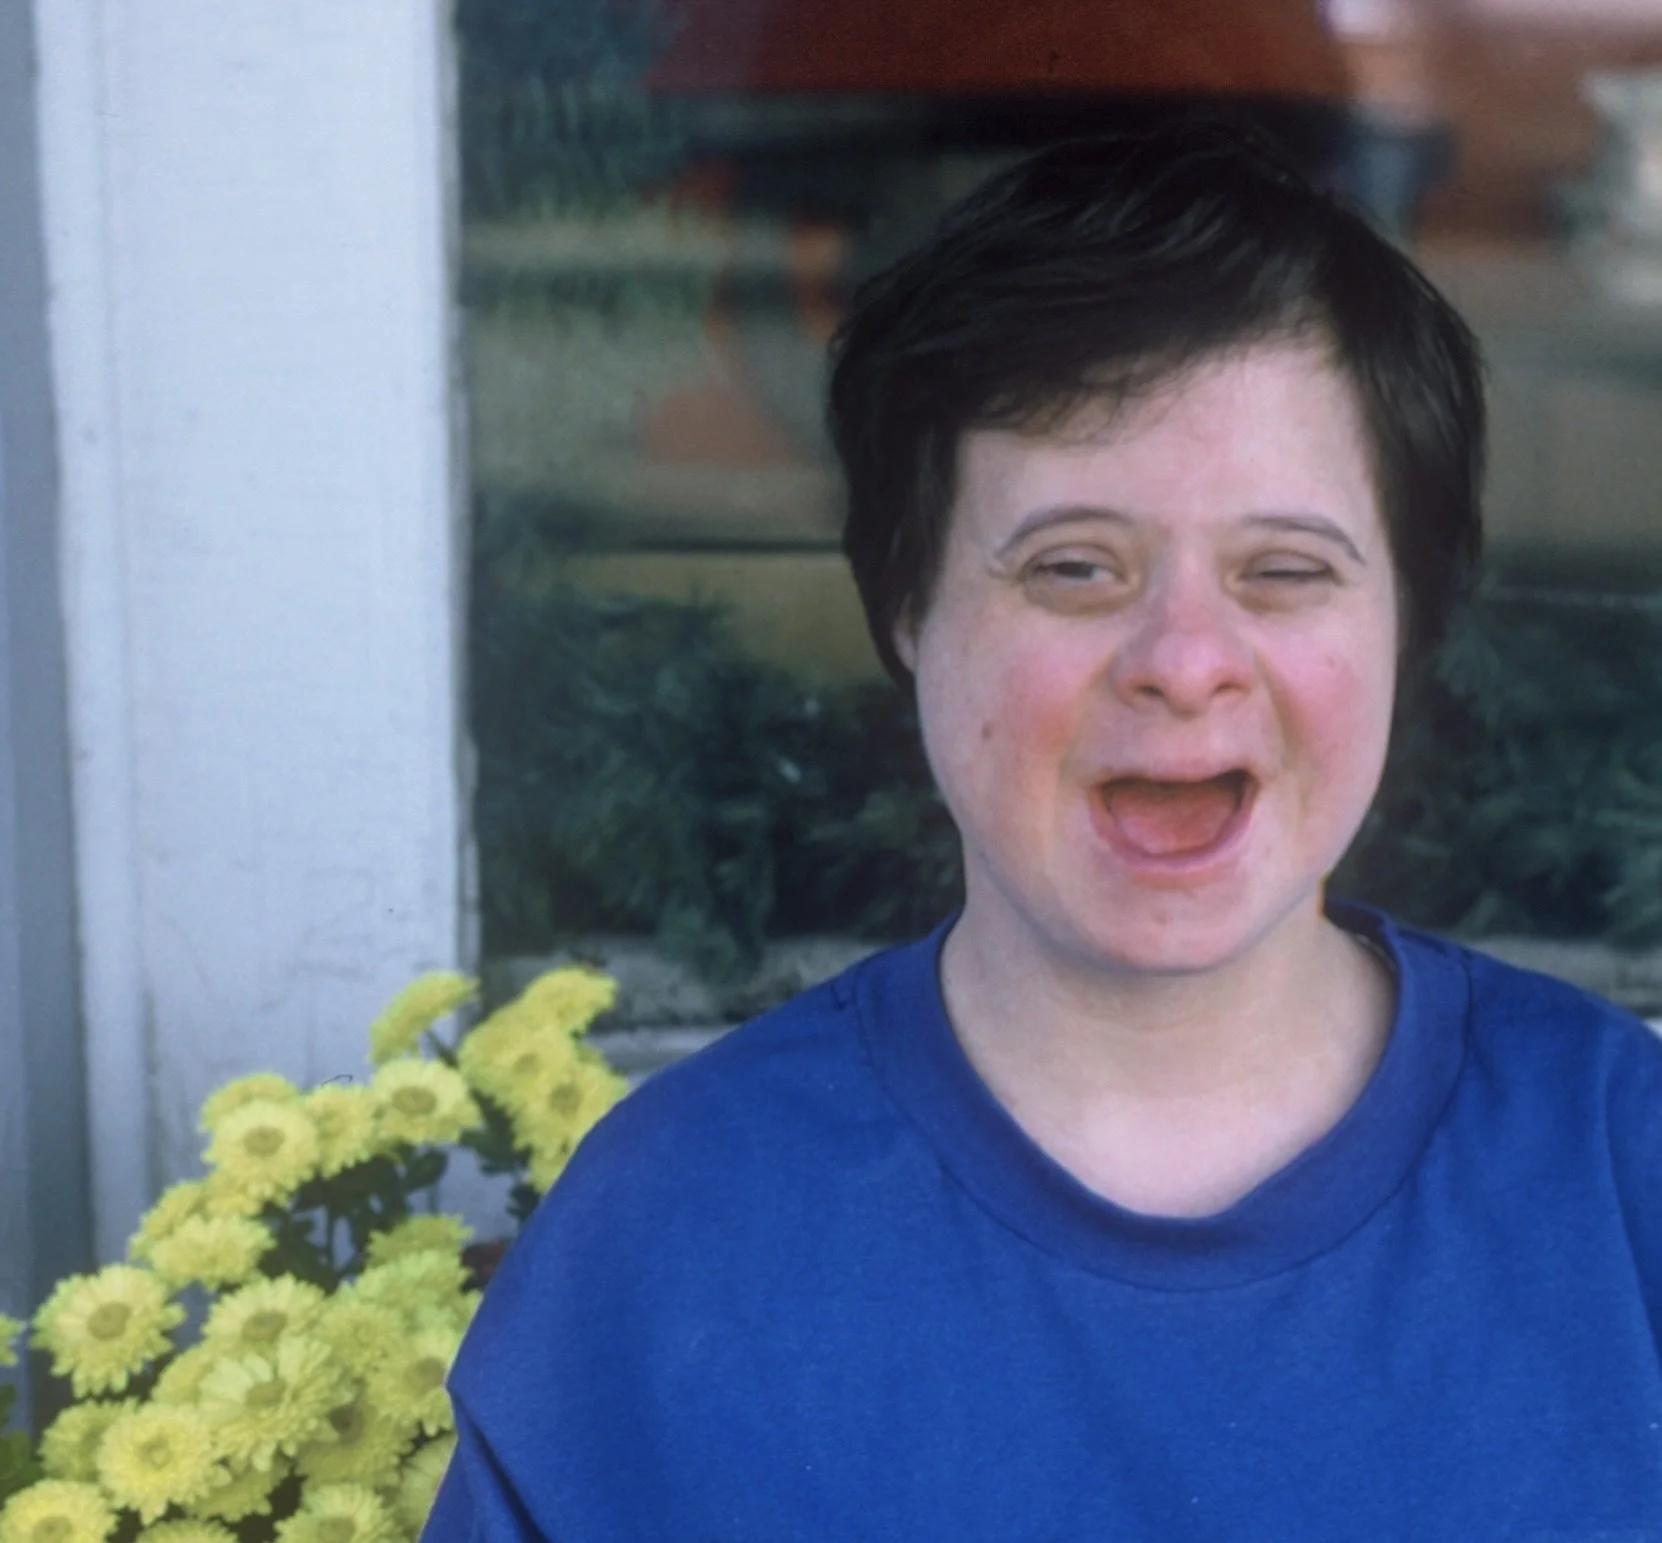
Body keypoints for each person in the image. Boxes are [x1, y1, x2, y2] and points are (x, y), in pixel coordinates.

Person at [424, 124, 1662, 1539]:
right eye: (1073, 566)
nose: (1184, 657)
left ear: (1406, 622)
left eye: (1284, 570)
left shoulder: (1620, 1177)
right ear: (907, 606)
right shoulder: (675, 1236)